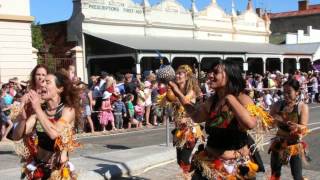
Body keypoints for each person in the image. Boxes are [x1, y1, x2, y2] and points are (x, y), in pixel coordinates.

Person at [169, 61, 262, 179]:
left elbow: (250, 124)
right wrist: (178, 93)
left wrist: (229, 98)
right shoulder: (212, 101)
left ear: (229, 76)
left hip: (233, 168)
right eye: (210, 72)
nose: (210, 75)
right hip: (209, 163)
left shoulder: (243, 99)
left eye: (216, 72)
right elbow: (196, 116)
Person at [12, 70, 81, 179]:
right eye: (42, 81)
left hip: (57, 172)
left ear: (60, 89)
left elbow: (54, 133)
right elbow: (16, 136)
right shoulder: (40, 111)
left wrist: (37, 108)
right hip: (38, 167)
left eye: (47, 82)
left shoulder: (68, 110)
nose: (42, 84)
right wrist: (22, 115)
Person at [165, 65, 204, 178]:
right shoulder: (174, 90)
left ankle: (192, 174)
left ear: (186, 76)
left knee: (184, 159)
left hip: (190, 130)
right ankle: (196, 170)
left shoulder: (191, 91)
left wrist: (172, 95)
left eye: (180, 74)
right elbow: (169, 102)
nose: (177, 75)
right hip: (179, 130)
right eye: (176, 73)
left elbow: (184, 101)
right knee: (179, 160)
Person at [269, 79, 309, 180]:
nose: (286, 95)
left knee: (297, 176)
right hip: (279, 143)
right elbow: (269, 124)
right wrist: (271, 119)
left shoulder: (302, 107)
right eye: (284, 92)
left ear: (297, 92)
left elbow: (304, 127)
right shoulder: (277, 105)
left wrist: (296, 127)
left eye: (289, 92)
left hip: (294, 145)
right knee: (275, 174)